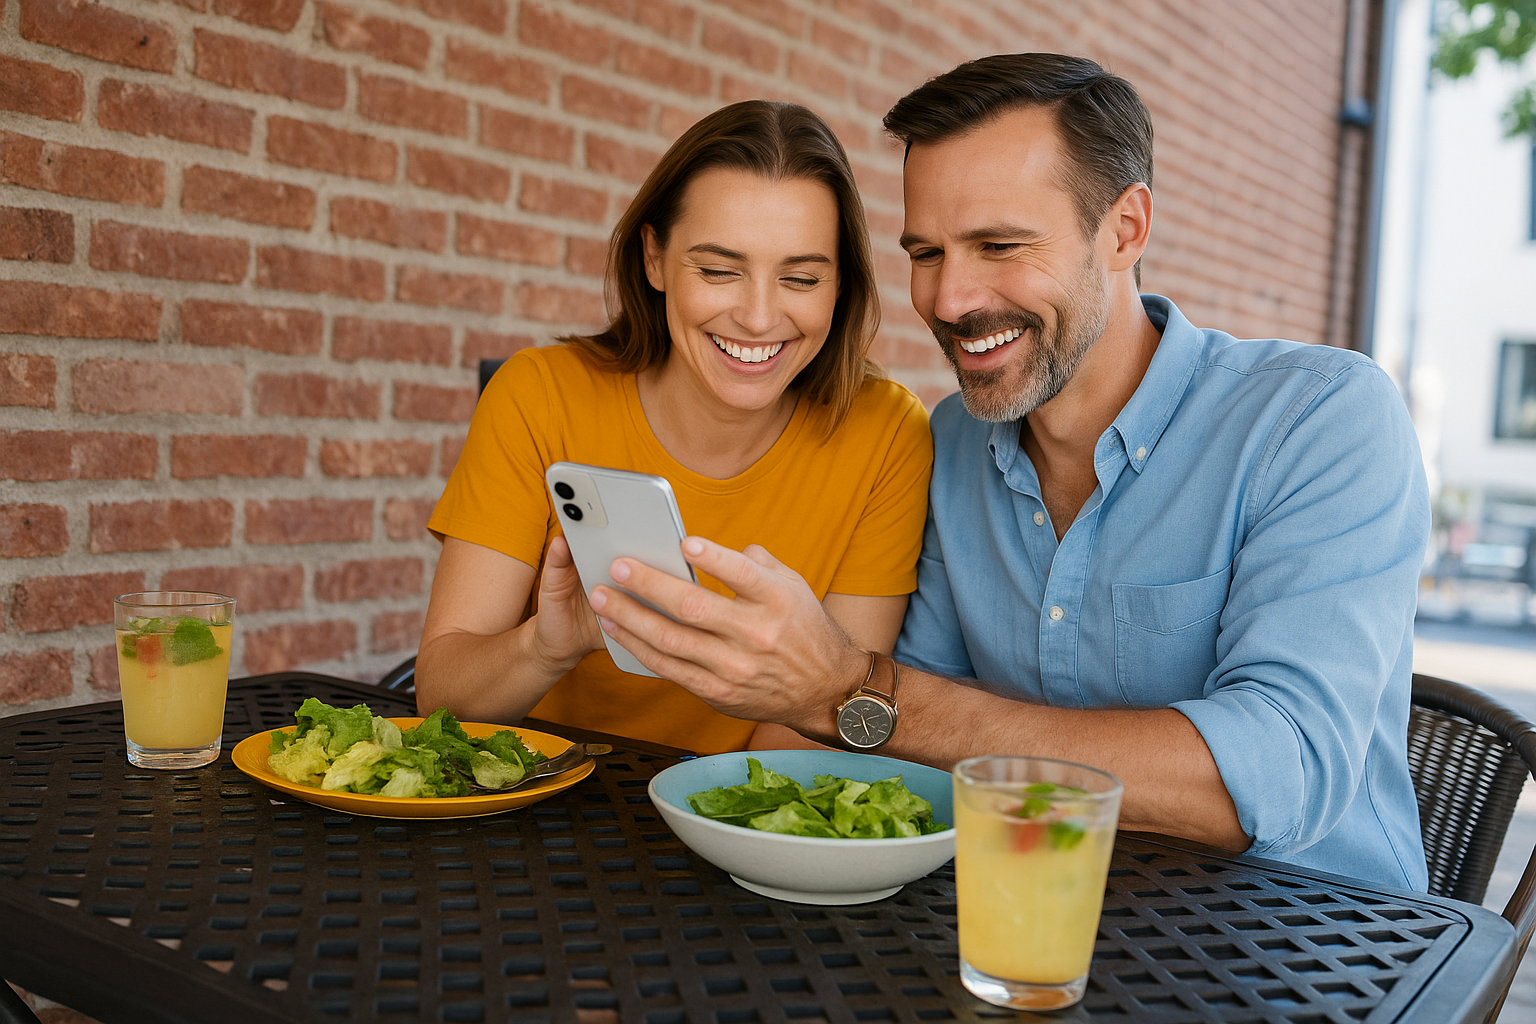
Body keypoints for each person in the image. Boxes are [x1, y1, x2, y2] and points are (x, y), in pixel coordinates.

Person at [587, 54, 1432, 890]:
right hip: (1028, 913)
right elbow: (913, 746)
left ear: (1125, 230)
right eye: (926, 252)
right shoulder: (953, 440)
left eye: (999, 244)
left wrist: (848, 688)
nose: (950, 299)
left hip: (1313, 948)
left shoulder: (1321, 420)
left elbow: (1272, 778)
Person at [416, 100, 932, 755]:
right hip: (541, 805)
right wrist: (547, 645)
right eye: (718, 270)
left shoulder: (886, 432)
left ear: (840, 288)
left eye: (801, 278)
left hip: (738, 824)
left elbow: (819, 718)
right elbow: (440, 697)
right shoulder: (540, 395)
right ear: (655, 258)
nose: (757, 315)